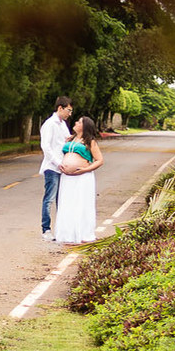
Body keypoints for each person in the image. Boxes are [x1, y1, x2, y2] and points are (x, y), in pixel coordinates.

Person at [53, 115, 104, 243]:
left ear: (84, 126)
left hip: (82, 177)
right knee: (67, 203)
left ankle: (82, 233)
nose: (75, 122)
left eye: (79, 122)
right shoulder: (70, 139)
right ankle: (67, 234)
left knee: (80, 203)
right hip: (67, 178)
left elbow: (99, 160)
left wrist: (85, 169)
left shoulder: (90, 142)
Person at [38, 96, 73, 239]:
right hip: (52, 167)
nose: (70, 113)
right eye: (68, 110)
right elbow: (45, 146)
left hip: (62, 167)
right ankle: (46, 229)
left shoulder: (62, 124)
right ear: (60, 108)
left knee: (61, 198)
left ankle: (61, 229)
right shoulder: (50, 124)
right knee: (49, 199)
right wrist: (57, 162)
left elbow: (64, 142)